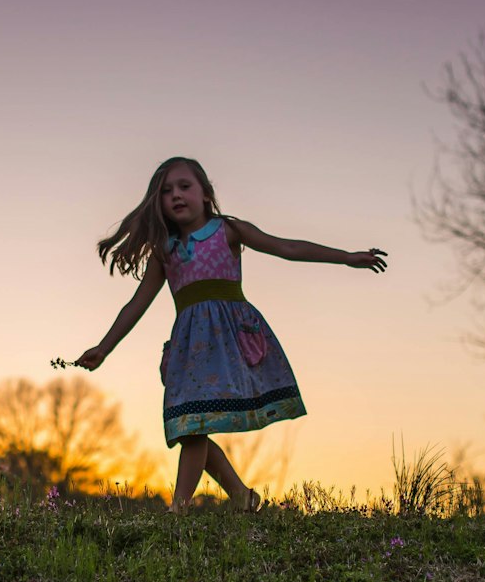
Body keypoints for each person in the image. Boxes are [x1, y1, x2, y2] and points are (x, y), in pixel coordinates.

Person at [73, 157, 387, 513]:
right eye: (166, 191)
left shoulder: (228, 231)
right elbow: (136, 304)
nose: (175, 195)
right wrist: (104, 347)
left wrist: (346, 257)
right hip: (190, 351)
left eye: (184, 186)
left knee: (193, 426)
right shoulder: (165, 250)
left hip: (230, 342)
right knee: (190, 425)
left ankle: (178, 509)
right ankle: (241, 496)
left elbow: (288, 248)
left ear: (205, 193)